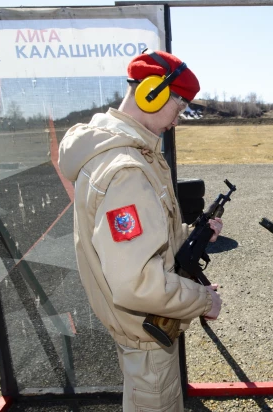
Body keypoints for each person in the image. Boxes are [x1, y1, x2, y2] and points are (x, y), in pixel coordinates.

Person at [58, 49, 223, 411]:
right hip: (146, 335)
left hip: (143, 329)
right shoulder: (127, 170)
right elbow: (138, 284)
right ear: (153, 93)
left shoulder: (123, 152)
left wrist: (186, 235)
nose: (177, 121)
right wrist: (204, 300)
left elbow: (142, 242)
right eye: (178, 109)